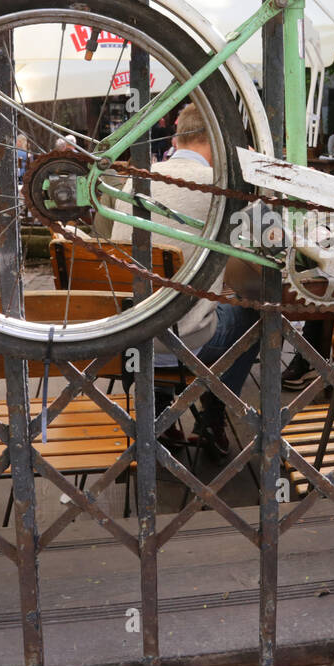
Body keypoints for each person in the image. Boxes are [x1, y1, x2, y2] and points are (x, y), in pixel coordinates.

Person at [105, 103, 259, 458]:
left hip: (127, 336)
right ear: (221, 142)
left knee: (164, 303)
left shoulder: (136, 180)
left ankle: (160, 414)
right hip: (187, 343)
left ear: (177, 137)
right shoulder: (223, 188)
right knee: (254, 313)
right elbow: (261, 254)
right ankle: (215, 412)